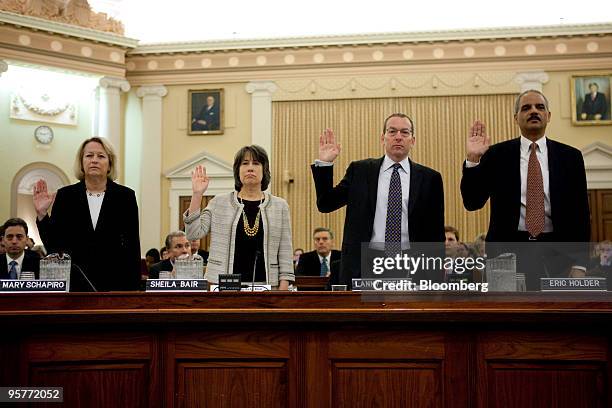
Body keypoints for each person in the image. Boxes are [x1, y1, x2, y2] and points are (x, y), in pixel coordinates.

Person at [461, 90, 590, 289]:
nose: (533, 111)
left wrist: (581, 262)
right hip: (507, 253)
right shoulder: (496, 155)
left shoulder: (570, 157)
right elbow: (472, 202)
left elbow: (581, 213)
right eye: (526, 108)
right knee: (510, 315)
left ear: (548, 115)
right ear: (516, 118)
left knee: (557, 316)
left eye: (540, 107)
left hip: (559, 256)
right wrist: (473, 160)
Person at [311, 113, 445, 286]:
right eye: (392, 131)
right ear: (383, 138)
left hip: (412, 266)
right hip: (364, 264)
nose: (398, 137)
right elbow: (326, 204)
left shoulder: (430, 178)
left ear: (413, 140)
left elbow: (436, 231)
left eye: (405, 132)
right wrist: (325, 164)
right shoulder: (360, 171)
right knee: (364, 314)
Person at [32, 136, 141, 291]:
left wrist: (133, 290)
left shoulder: (125, 196)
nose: (94, 160)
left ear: (110, 164)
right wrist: (42, 214)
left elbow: (132, 246)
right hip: (75, 286)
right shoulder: (65, 196)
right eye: (89, 156)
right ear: (82, 163)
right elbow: (54, 246)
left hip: (115, 284)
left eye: (101, 156)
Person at [184, 145, 294, 289]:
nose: (250, 168)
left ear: (264, 170)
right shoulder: (219, 202)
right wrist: (197, 194)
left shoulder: (280, 206)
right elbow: (193, 234)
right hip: (222, 285)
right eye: (245, 163)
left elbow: (285, 250)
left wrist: (283, 287)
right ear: (237, 170)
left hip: (267, 287)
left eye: (256, 163)